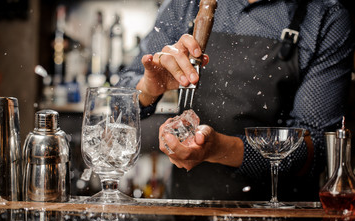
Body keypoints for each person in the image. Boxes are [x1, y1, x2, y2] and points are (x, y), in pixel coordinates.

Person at [118, 0, 355, 201]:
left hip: (279, 218)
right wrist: (147, 89)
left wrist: (218, 149)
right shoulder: (186, 5)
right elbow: (115, 105)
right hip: (190, 211)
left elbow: (317, 148)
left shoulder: (326, 17)